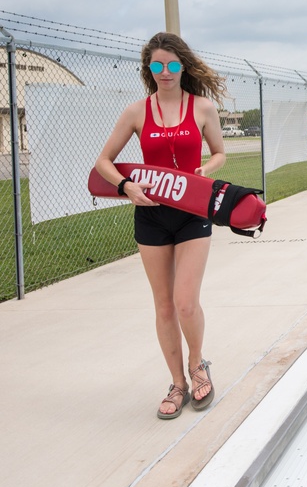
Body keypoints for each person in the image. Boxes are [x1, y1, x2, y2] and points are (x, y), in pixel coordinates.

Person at [95, 32, 229, 420]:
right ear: (148, 69)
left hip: (192, 210)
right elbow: (104, 161)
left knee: (186, 302)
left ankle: (198, 363)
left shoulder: (202, 108)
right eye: (157, 65)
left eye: (172, 65)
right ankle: (177, 383)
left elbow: (220, 152)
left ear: (182, 66)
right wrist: (126, 186)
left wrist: (207, 168)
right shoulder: (136, 112)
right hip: (151, 215)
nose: (165, 72)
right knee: (165, 306)